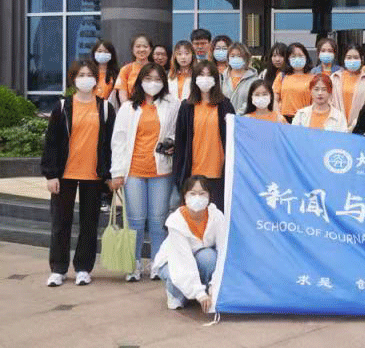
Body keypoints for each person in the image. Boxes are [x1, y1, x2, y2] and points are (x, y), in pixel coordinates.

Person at [41, 60, 115, 287]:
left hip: (93, 174)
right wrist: (51, 174)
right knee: (60, 223)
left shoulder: (105, 108)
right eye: (81, 75)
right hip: (65, 174)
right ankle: (58, 269)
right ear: (73, 79)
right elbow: (51, 143)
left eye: (89, 74)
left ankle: (83, 268)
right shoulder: (62, 107)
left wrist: (110, 174)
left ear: (96, 78)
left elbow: (111, 144)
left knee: (89, 223)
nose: (85, 78)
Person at [110, 63, 180, 282]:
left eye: (157, 79)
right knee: (136, 221)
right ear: (140, 81)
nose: (153, 83)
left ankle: (158, 263)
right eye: (148, 79)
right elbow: (119, 140)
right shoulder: (128, 107)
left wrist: (172, 143)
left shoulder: (172, 104)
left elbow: (178, 132)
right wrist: (117, 172)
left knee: (158, 221)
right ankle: (134, 264)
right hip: (134, 171)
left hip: (161, 171)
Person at [152, 175, 225, 311]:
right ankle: (175, 293)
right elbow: (183, 260)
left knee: (209, 257)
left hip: (199, 257)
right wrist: (199, 294)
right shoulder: (176, 221)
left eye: (202, 193)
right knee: (177, 290)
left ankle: (201, 289)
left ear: (209, 196)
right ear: (185, 196)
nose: (197, 197)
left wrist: (214, 287)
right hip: (173, 261)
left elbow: (223, 252)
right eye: (192, 193)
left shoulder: (217, 217)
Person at [174, 61, 235, 212]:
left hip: (219, 173)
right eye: (201, 75)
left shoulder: (225, 105)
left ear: (216, 79)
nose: (205, 79)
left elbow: (234, 138)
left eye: (209, 75)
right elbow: (180, 143)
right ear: (194, 78)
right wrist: (179, 175)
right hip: (193, 173)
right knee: (195, 216)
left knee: (218, 216)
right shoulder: (187, 106)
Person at [331, 44, 365, 131]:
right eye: (349, 57)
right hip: (336, 128)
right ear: (344, 59)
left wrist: (356, 124)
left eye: (356, 57)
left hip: (359, 129)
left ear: (361, 59)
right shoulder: (335, 78)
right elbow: (329, 102)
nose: (352, 60)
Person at [272, 42, 313, 123]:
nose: (297, 59)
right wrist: (278, 116)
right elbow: (275, 99)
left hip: (305, 119)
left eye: (300, 56)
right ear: (288, 59)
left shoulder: (313, 78)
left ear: (306, 58)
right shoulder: (282, 76)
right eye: (293, 56)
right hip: (284, 119)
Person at [222, 42, 259, 115]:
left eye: (239, 56)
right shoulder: (222, 78)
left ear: (246, 58)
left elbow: (251, 101)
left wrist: (236, 115)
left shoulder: (254, 80)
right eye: (232, 56)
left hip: (245, 119)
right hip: (224, 118)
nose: (235, 58)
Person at [115, 34, 153, 103]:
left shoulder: (156, 68)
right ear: (132, 49)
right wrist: (128, 108)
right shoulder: (125, 69)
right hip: (132, 106)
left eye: (145, 46)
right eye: (138, 46)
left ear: (150, 49)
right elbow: (122, 95)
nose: (142, 49)